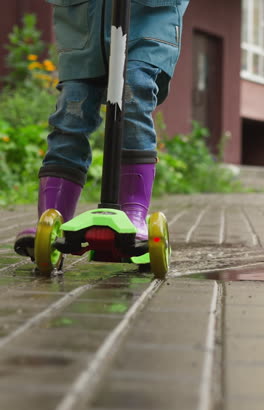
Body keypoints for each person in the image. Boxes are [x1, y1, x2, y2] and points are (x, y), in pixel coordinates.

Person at [14, 0, 190, 259]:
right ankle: (51, 219)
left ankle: (134, 213)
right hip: (84, 27)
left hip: (146, 24)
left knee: (133, 92)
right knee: (71, 113)